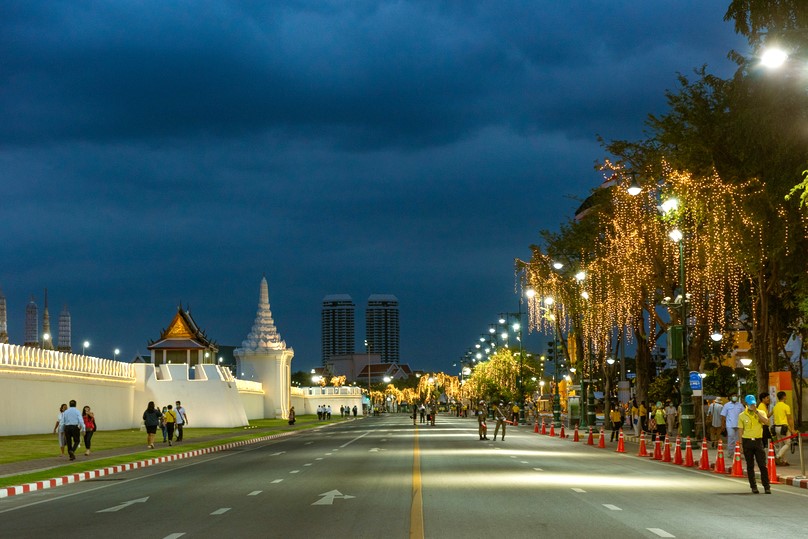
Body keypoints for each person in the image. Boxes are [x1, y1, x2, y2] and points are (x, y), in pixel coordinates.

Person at [737, 394, 771, 494]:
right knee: (750, 465)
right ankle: (753, 486)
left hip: (758, 441)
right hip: (747, 441)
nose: (752, 406)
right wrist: (740, 444)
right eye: (750, 404)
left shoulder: (761, 412)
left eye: (753, 404)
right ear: (746, 404)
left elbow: (767, 422)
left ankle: (766, 486)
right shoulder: (742, 415)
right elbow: (740, 430)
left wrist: (757, 412)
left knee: (762, 465)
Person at [772, 391, 796, 466]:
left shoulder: (775, 407)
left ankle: (783, 461)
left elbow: (771, 415)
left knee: (781, 444)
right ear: (784, 396)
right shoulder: (786, 406)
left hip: (776, 428)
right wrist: (792, 429)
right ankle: (778, 456)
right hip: (784, 428)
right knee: (788, 443)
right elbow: (789, 419)